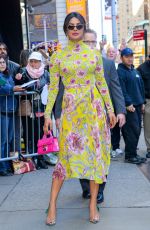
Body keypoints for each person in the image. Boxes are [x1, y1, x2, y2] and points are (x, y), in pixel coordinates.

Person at [44, 12, 116, 225]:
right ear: (66, 30)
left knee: (95, 158)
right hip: (71, 111)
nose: (75, 29)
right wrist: (48, 114)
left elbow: (102, 84)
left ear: (84, 28)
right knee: (64, 159)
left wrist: (110, 110)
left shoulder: (93, 55)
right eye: (70, 26)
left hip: (93, 112)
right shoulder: (57, 56)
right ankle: (53, 204)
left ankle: (93, 203)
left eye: (79, 25)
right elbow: (54, 88)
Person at [53, 28, 126, 204]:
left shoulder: (106, 63)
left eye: (93, 42)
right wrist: (57, 114)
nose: (91, 45)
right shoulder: (70, 61)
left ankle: (99, 190)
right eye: (87, 42)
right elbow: (60, 90)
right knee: (80, 151)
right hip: (77, 116)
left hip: (99, 116)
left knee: (100, 153)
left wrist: (119, 111)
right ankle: (87, 188)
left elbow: (114, 88)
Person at [15, 51, 50, 169]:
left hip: (42, 107)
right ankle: (32, 159)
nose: (34, 64)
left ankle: (41, 158)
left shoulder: (45, 73)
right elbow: (19, 84)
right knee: (30, 133)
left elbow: (51, 84)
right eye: (32, 61)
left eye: (36, 61)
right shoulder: (24, 71)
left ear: (40, 62)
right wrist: (19, 79)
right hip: (28, 109)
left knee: (41, 133)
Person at [118, 48, 146, 164]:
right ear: (122, 58)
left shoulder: (134, 70)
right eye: (127, 56)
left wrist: (143, 102)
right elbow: (121, 90)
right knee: (131, 131)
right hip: (130, 106)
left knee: (137, 130)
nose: (130, 58)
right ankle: (130, 156)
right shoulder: (120, 71)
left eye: (131, 56)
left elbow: (141, 88)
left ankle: (133, 153)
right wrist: (128, 103)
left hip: (138, 104)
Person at [0, 54, 25, 176]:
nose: (2, 64)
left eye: (3, 62)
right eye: (0, 62)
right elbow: (5, 88)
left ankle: (8, 165)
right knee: (3, 140)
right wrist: (14, 88)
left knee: (9, 139)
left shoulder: (8, 75)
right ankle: (2, 166)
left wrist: (19, 85)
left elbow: (11, 86)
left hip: (11, 111)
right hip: (2, 112)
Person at [137, 57, 150, 158]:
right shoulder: (141, 68)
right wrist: (142, 102)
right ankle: (149, 149)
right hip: (148, 100)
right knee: (148, 127)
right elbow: (138, 87)